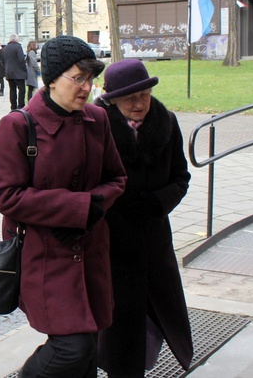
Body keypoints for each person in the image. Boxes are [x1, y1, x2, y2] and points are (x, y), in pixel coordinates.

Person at [0, 35, 127, 378]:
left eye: (90, 78)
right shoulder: (18, 125)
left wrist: (93, 206)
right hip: (45, 255)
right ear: (52, 78)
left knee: (88, 348)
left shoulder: (99, 119)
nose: (86, 87)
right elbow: (5, 195)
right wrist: (79, 207)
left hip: (92, 252)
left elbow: (117, 178)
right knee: (72, 346)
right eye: (77, 78)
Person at [95, 59, 193, 376]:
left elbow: (181, 177)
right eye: (130, 98)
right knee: (117, 332)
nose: (140, 104)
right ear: (112, 99)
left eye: (145, 95)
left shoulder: (167, 122)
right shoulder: (96, 129)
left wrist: (157, 202)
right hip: (112, 247)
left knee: (158, 319)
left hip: (154, 243)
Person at [2, 34, 27, 111]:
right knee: (22, 90)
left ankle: (13, 106)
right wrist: (24, 69)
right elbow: (21, 59)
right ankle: (21, 106)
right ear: (16, 40)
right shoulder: (18, 47)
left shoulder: (5, 48)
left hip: (9, 72)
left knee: (12, 90)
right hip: (19, 73)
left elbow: (3, 61)